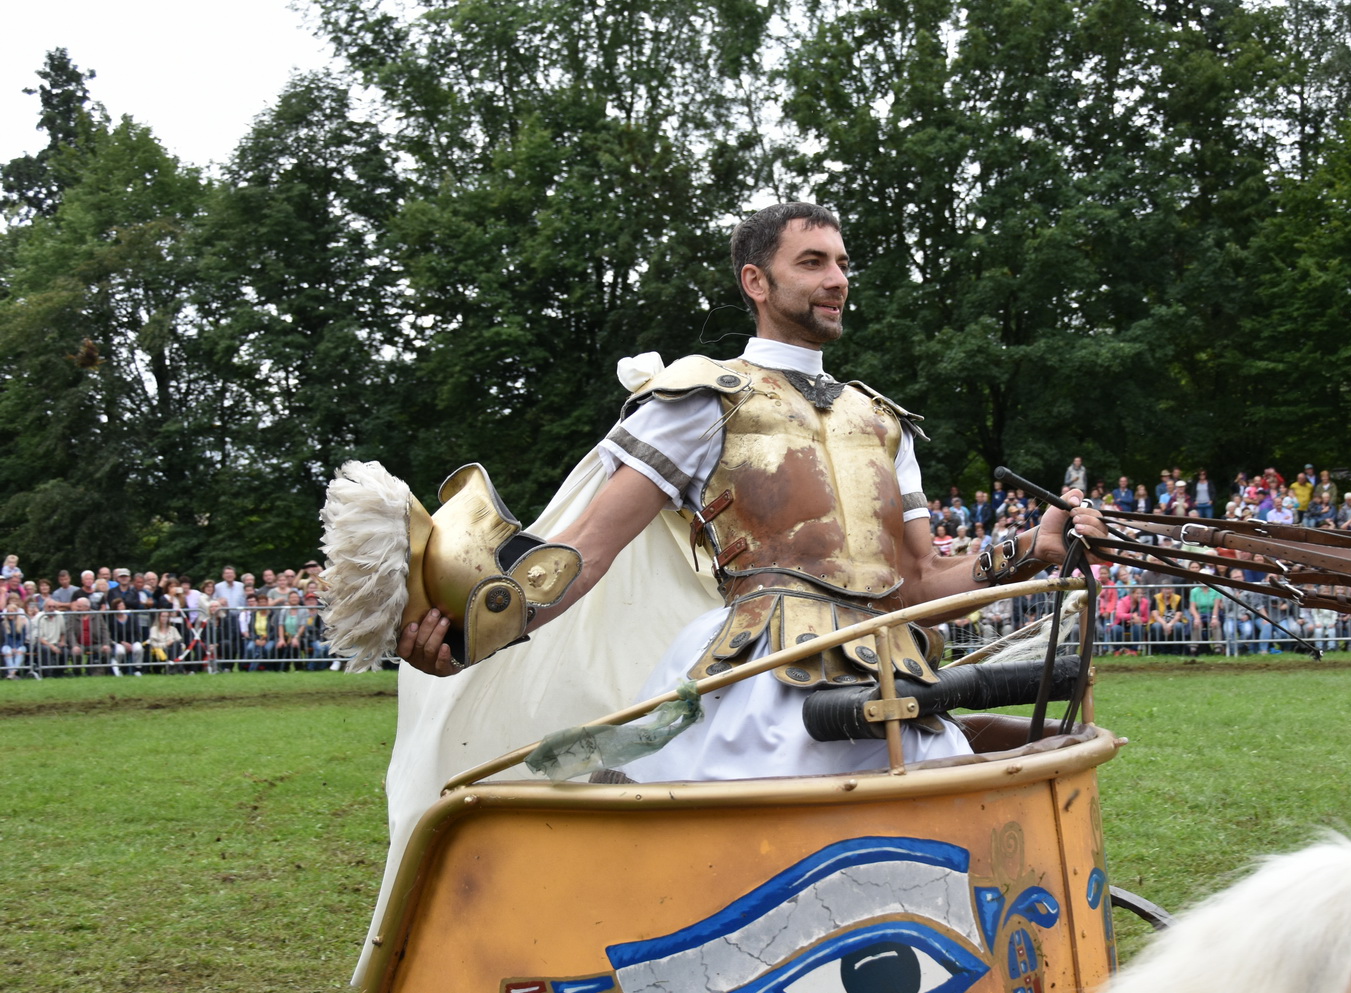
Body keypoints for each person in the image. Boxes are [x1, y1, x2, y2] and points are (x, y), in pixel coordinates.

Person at [396, 202, 1104, 781]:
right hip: (759, 686)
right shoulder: (702, 398)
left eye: (842, 264)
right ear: (756, 282)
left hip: (892, 672)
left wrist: (1030, 548)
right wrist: (467, 638)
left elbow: (917, 584)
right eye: (813, 262)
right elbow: (587, 550)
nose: (837, 279)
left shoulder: (882, 422)